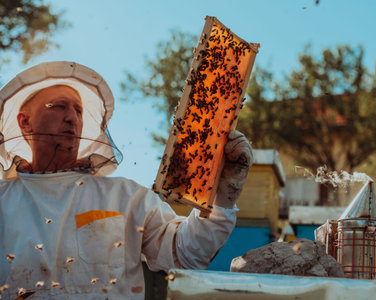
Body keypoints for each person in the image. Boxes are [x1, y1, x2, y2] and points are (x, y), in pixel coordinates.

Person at [0, 61, 253, 299]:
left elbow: (184, 253)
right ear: (25, 122)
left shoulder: (125, 196)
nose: (72, 117)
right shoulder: (3, 200)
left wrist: (223, 196)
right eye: (58, 106)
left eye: (78, 110)